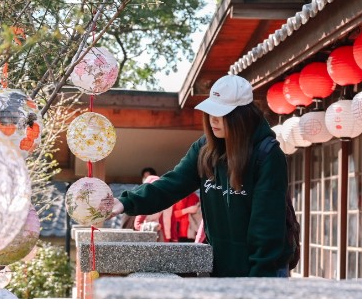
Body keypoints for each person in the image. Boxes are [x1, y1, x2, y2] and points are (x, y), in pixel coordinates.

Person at [110, 75, 291, 277]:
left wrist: (258, 283)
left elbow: (266, 226)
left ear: (242, 115)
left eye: (221, 113)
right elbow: (171, 184)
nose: (212, 119)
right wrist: (124, 203)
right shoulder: (205, 149)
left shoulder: (267, 155)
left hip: (261, 271)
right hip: (220, 267)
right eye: (211, 111)